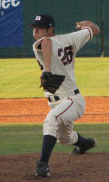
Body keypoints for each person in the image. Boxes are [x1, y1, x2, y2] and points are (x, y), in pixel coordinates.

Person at [31, 14, 100, 178]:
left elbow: (47, 42)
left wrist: (47, 69)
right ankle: (85, 144)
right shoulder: (72, 38)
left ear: (50, 29)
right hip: (59, 102)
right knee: (64, 138)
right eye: (34, 28)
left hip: (72, 100)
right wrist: (87, 23)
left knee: (51, 119)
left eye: (39, 28)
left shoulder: (44, 42)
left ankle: (42, 165)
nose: (35, 31)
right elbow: (95, 29)